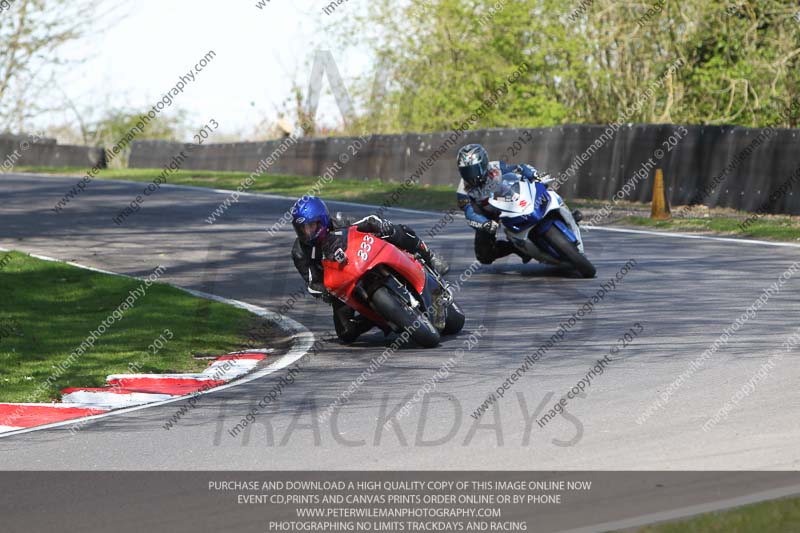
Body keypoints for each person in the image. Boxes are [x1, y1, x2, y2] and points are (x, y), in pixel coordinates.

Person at [290, 196, 449, 344]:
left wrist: (379, 225)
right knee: (346, 333)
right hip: (342, 284)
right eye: (302, 228)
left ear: (322, 220)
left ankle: (428, 256)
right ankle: (379, 315)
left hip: (363, 258)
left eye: (311, 226)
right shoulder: (299, 252)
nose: (307, 232)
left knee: (395, 231)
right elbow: (312, 282)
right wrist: (324, 291)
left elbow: (367, 222)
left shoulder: (339, 221)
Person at [455, 143, 582, 264]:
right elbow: (470, 213)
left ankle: (564, 214)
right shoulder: (463, 191)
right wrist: (485, 224)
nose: (471, 175)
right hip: (488, 214)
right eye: (466, 171)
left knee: (543, 188)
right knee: (484, 256)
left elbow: (517, 169)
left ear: (483, 163)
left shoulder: (495, 167)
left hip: (507, 197)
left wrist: (533, 174)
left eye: (474, 169)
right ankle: (516, 247)